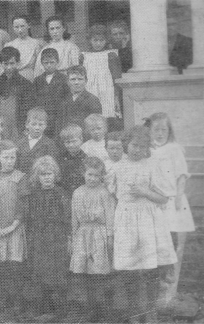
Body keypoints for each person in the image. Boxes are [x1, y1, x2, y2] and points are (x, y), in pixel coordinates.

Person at [107, 126, 177, 323]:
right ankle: (133, 315)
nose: (137, 150)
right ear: (125, 144)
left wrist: (144, 192)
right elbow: (113, 196)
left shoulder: (152, 165)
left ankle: (149, 312)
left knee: (149, 269)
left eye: (142, 146)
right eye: (134, 145)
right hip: (126, 221)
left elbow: (163, 198)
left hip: (148, 221)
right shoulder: (117, 167)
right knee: (129, 269)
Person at [146, 112, 195, 301]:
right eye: (156, 129)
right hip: (154, 202)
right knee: (158, 247)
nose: (160, 134)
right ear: (149, 130)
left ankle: (170, 294)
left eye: (163, 130)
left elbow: (181, 176)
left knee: (174, 247)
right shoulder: (148, 150)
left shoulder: (174, 149)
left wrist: (179, 199)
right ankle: (157, 292)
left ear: (169, 131)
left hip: (174, 202)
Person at [0, 140, 30, 315]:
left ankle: (16, 303)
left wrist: (13, 226)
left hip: (15, 229)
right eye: (6, 157)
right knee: (0, 268)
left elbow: (23, 206)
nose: (10, 160)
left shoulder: (21, 177)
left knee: (14, 267)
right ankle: (2, 302)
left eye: (13, 157)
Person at [70, 157, 116, 322]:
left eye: (96, 176)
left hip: (99, 234)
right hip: (83, 234)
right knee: (86, 273)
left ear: (101, 176)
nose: (92, 179)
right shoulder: (77, 192)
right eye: (89, 174)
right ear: (84, 173)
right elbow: (74, 217)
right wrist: (73, 236)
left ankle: (104, 309)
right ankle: (91, 309)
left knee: (99, 272)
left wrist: (110, 236)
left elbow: (110, 216)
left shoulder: (104, 192)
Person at [28, 156, 70, 321]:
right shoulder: (35, 194)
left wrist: (68, 237)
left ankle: (61, 310)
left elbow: (67, 216)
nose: (46, 177)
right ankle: (45, 308)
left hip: (57, 237)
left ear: (55, 174)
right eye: (43, 174)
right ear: (37, 177)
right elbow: (31, 217)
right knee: (41, 271)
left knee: (57, 271)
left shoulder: (61, 193)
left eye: (49, 173)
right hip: (40, 237)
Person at [0, 46, 35, 141]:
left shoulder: (26, 84)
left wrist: (26, 128)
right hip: (0, 128)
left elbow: (29, 109)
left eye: (12, 63)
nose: (9, 67)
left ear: (18, 63)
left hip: (19, 128)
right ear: (1, 64)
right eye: (5, 64)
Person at [80, 25, 122, 120]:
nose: (98, 43)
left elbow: (116, 78)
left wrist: (116, 96)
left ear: (106, 40)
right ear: (90, 40)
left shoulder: (111, 55)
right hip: (90, 89)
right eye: (95, 40)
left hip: (107, 90)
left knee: (107, 114)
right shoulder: (84, 56)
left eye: (101, 40)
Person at [33, 48, 70, 137]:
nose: (49, 65)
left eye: (52, 62)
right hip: (43, 118)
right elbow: (34, 100)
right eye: (46, 63)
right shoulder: (37, 80)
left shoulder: (64, 79)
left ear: (57, 62)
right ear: (42, 63)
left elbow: (68, 99)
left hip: (59, 117)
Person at [16, 107, 59, 175]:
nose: (37, 128)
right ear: (27, 125)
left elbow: (52, 167)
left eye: (40, 124)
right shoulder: (20, 143)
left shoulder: (49, 144)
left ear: (45, 126)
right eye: (33, 124)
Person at [60, 65, 102, 131]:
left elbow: (96, 126)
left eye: (80, 79)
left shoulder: (92, 100)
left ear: (86, 81)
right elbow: (59, 124)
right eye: (73, 79)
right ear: (68, 82)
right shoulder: (64, 99)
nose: (76, 82)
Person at [4, 15, 44, 82]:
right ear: (13, 28)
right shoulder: (9, 45)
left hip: (30, 77)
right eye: (16, 27)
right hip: (13, 78)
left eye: (22, 26)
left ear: (28, 25)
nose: (20, 30)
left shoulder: (36, 44)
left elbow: (40, 65)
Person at [58, 124, 87, 197]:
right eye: (67, 142)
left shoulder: (86, 159)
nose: (71, 145)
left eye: (74, 141)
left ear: (81, 139)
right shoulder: (60, 158)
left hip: (82, 195)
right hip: (64, 195)